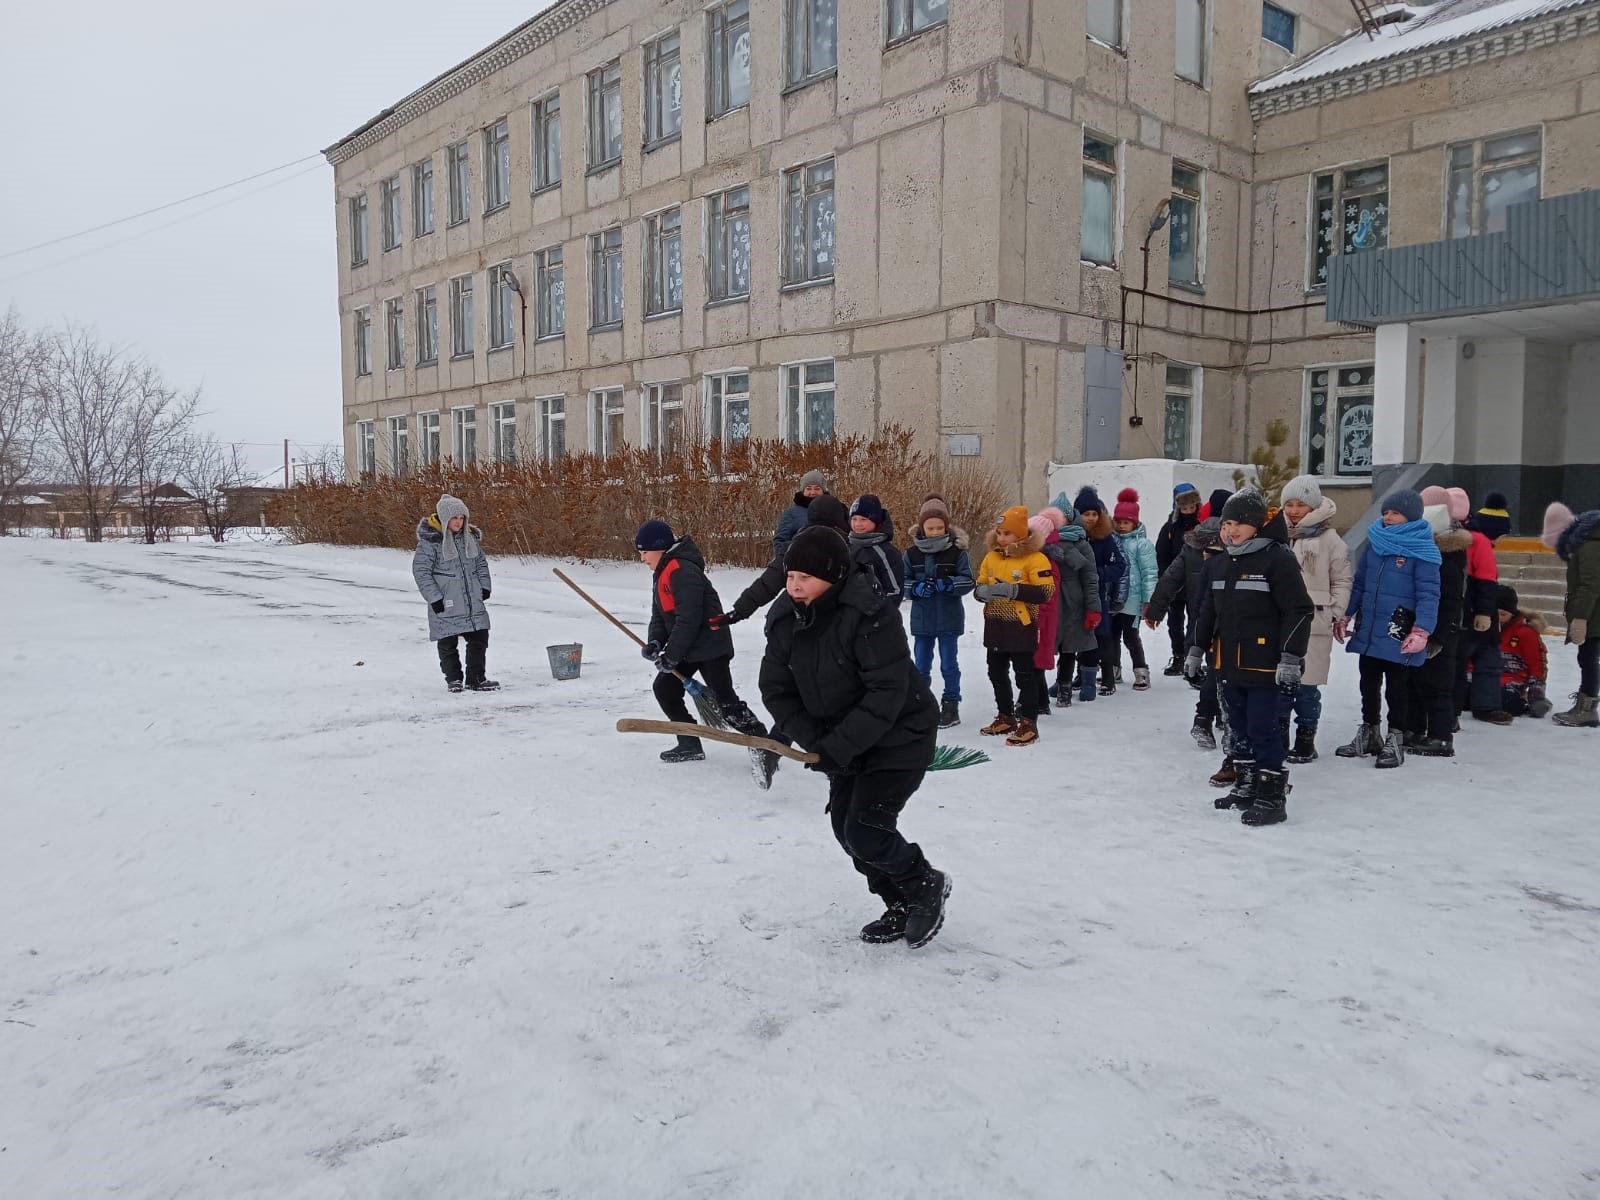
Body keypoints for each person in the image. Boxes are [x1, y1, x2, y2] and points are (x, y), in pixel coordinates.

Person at [758, 525, 949, 948]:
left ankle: (923, 885)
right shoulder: (786, 618)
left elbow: (887, 693)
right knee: (847, 832)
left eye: (804, 578)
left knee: (866, 827)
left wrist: (835, 747)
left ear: (832, 576)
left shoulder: (870, 613)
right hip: (841, 738)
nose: (794, 586)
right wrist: (817, 742)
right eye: (790, 577)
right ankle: (897, 902)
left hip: (901, 734)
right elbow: (776, 689)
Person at [1185, 489, 1314, 826]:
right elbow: (1207, 611)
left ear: (1256, 525)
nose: (1231, 530)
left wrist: (1290, 657)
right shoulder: (1221, 563)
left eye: (1239, 523)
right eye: (1227, 523)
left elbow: (1298, 610)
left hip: (1266, 665)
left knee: (1263, 728)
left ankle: (1272, 796)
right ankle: (1245, 786)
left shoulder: (1277, 559)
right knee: (1237, 726)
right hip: (1228, 663)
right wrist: (1197, 649)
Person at [636, 520, 767, 763]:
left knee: (725, 703)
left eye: (644, 552)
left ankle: (761, 742)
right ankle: (688, 743)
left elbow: (689, 619)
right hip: (687, 647)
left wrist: (672, 655)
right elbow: (660, 614)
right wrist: (655, 641)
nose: (642, 558)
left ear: (660, 547)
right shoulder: (662, 571)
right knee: (665, 688)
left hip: (709, 647)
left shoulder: (682, 570)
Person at [1333, 489, 1442, 768]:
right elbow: (1360, 583)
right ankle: (1370, 732)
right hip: (1369, 627)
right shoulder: (1376, 544)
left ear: (1411, 516)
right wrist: (1347, 614)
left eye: (1394, 513)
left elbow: (1429, 594)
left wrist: (1422, 630)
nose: (1388, 517)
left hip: (1399, 631)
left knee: (1397, 687)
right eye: (1385, 512)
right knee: (1367, 681)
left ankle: (1396, 738)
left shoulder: (1423, 550)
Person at [1277, 475, 1352, 764]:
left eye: (1301, 505)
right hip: (1280, 623)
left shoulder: (1329, 539)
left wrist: (1335, 611)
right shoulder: (1277, 535)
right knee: (1280, 685)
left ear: (1314, 506)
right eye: (1290, 504)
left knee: (1307, 688)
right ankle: (1279, 738)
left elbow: (1342, 579)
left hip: (1314, 623)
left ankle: (1306, 740)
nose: (1294, 510)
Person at [1422, 485, 1508, 724]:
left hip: (1466, 609)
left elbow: (1487, 579)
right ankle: (1447, 711)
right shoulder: (1445, 537)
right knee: (1453, 663)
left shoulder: (1473, 541)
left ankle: (1453, 712)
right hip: (1458, 608)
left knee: (1458, 663)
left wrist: (1484, 612)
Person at [974, 505, 1056, 746]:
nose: (1001, 538)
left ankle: (1029, 722)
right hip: (996, 625)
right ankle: (1006, 715)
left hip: (1021, 625)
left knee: (1025, 675)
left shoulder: (1035, 558)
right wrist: (983, 592)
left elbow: (1046, 591)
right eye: (999, 532)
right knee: (996, 672)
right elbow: (979, 585)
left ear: (1020, 534)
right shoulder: (991, 556)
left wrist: (1013, 590)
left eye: (1007, 533)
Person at [1149, 511, 1226, 750]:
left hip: (1201, 620)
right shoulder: (1234, 547)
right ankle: (1216, 716)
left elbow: (1170, 579)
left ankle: (1205, 718)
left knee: (1216, 670)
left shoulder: (1193, 545)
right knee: (1221, 671)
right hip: (1227, 623)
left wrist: (1155, 610)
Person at [1402, 503, 1471, 758]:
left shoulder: (1448, 559)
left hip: (1441, 634)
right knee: (1414, 681)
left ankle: (1441, 736)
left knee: (1437, 687)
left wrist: (1439, 637)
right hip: (1420, 629)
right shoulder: (1422, 553)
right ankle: (1415, 728)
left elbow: (1451, 603)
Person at [412, 493, 498, 693]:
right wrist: (435, 597)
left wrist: (484, 586)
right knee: (447, 641)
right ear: (444, 518)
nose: (459, 522)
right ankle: (454, 680)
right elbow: (421, 572)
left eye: (462, 518)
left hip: (471, 599)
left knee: (479, 637)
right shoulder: (430, 543)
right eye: (454, 518)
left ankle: (476, 679)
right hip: (446, 599)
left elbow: (481, 564)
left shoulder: (470, 539)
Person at [905, 494, 975, 728]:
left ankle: (951, 704)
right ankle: (921, 705)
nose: (935, 531)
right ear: (922, 527)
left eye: (939, 527)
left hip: (948, 618)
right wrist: (915, 587)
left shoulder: (957, 552)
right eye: (930, 527)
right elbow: (900, 582)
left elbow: (968, 580)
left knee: (948, 664)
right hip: (922, 620)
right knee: (921, 665)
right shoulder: (911, 553)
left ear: (946, 526)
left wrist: (949, 585)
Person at [1542, 501, 1600, 728]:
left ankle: (1587, 708)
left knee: (1588, 658)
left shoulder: (1590, 547)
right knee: (1587, 657)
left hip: (1594, 613)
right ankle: (1586, 703)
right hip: (1593, 611)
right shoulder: (1590, 543)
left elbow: (1590, 585)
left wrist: (1580, 618)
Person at [1039, 503, 1103, 705]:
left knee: (1069, 646)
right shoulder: (1041, 541)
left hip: (1073, 601)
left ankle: (1065, 686)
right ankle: (1049, 686)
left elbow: (1090, 578)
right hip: (1048, 598)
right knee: (1046, 643)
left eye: (1062, 519)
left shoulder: (1080, 543)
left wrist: (1093, 608)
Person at [1076, 486, 1129, 695]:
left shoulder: (1105, 538)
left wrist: (1097, 574)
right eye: (1086, 514)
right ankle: (1081, 674)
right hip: (1076, 596)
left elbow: (1120, 566)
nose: (1090, 518)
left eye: (1094, 514)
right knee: (1079, 637)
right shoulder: (1074, 536)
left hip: (1099, 596)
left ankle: (1108, 678)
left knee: (1102, 636)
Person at [1110, 488, 1158, 691]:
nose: (1122, 526)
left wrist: (1148, 600)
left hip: (1133, 600)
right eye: (1119, 522)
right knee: (1111, 636)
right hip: (1114, 598)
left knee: (1131, 637)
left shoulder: (1143, 545)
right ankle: (1112, 669)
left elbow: (1150, 573)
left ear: (1135, 523)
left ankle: (1141, 671)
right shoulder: (1111, 541)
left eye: (1126, 522)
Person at [1154, 482, 1202, 674]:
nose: (1188, 511)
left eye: (1192, 507)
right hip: (1175, 582)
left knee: (1196, 621)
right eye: (1184, 508)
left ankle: (1192, 657)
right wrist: (1165, 577)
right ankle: (1178, 656)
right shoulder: (1170, 527)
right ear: (1177, 507)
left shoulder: (1202, 525)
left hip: (1197, 583)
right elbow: (1162, 554)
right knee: (1175, 622)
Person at [1490, 585, 1551, 718]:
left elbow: (1537, 665)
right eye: (1495, 614)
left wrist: (1536, 695)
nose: (1498, 618)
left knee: (1505, 703)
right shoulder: (1485, 628)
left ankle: (1526, 703)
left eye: (1503, 614)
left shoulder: (1525, 632)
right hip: (1485, 677)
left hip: (1512, 681)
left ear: (1512, 613)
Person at [1028, 512, 1064, 714]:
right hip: (1036, 616)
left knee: (1035, 661)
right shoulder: (1038, 557)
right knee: (1033, 661)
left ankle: (1036, 702)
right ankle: (1040, 700)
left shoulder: (1047, 561)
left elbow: (1048, 594)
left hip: (1041, 618)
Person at [847, 494, 905, 606]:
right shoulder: (847, 546)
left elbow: (895, 591)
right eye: (854, 519)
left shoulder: (887, 553)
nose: (858, 524)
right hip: (848, 618)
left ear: (876, 521)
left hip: (876, 617)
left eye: (863, 519)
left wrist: (876, 614)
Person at [774, 469, 827, 562]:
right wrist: (787, 561)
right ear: (803, 490)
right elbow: (780, 541)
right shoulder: (792, 513)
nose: (813, 492)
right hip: (801, 566)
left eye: (817, 488)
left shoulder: (834, 509)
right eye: (809, 488)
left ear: (823, 490)